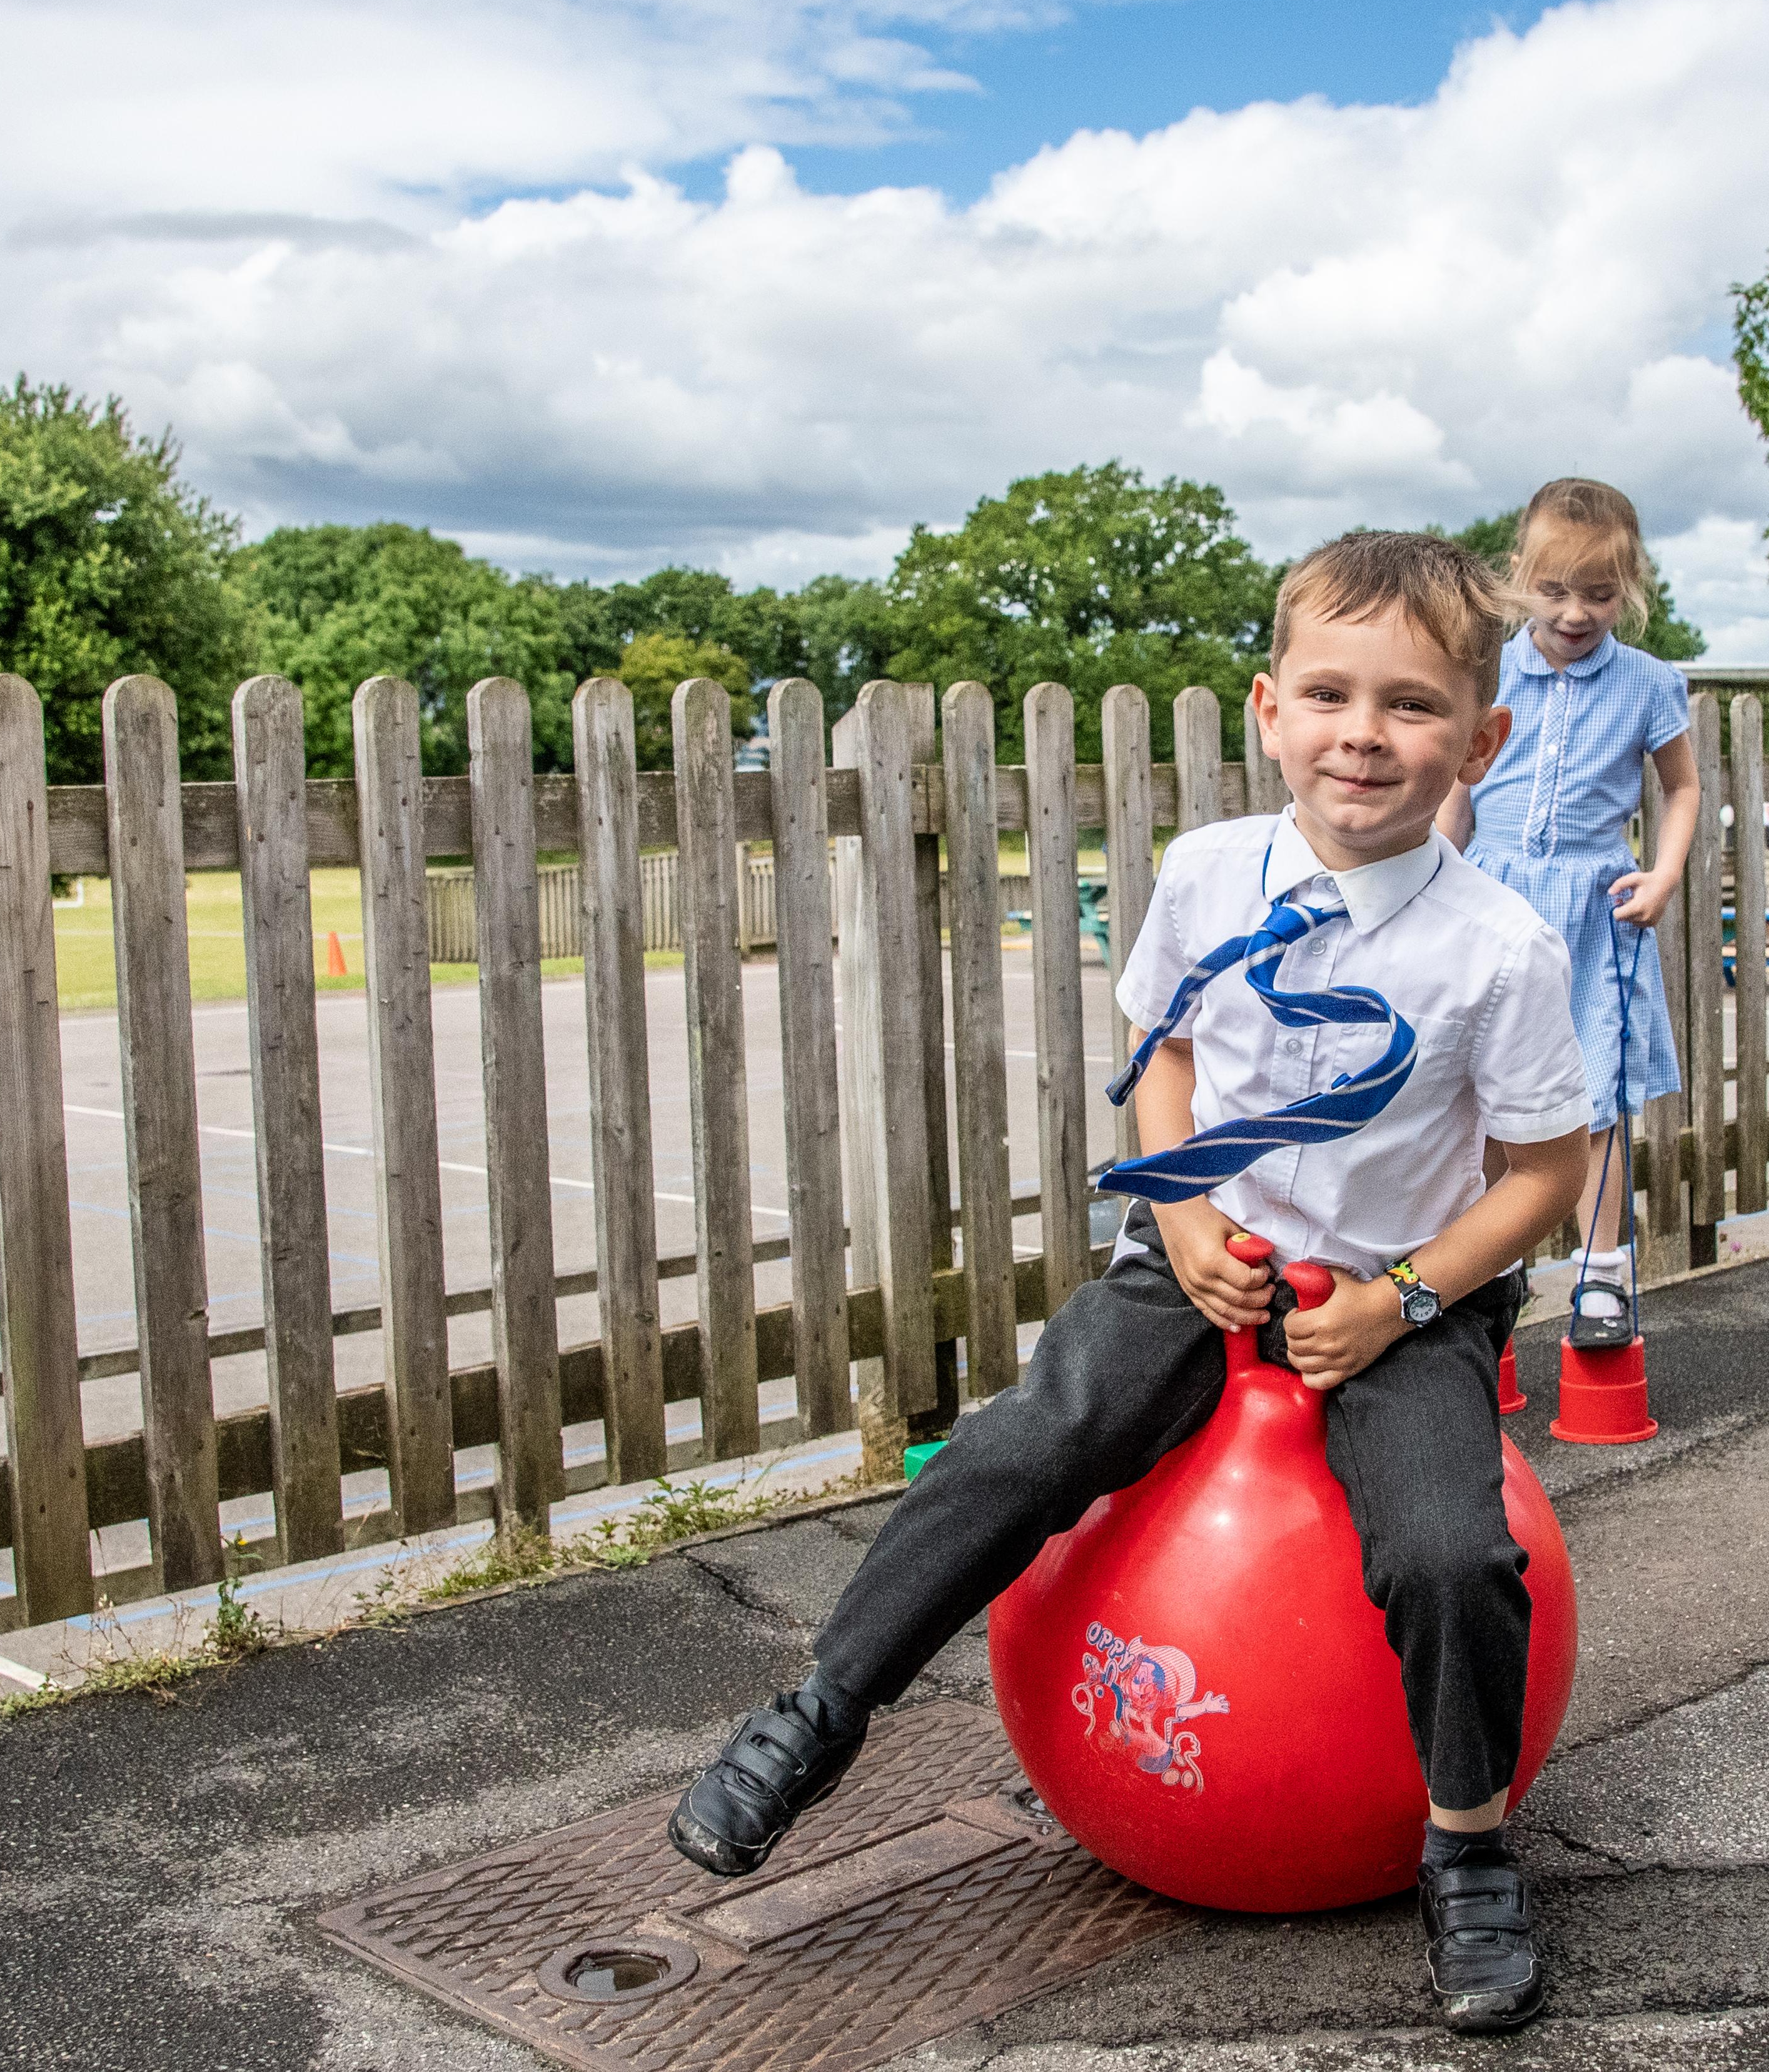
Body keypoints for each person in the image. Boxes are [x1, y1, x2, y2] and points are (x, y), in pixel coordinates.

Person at [668, 531, 1595, 2036]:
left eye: (1413, 704)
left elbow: (1549, 1174)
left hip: (1394, 1295)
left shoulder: (1501, 948)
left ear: (1480, 740)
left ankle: (1470, 1846)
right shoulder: (1206, 872)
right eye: (1330, 694)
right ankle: (817, 1713)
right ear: (1269, 709)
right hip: (1201, 1259)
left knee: (1450, 1550)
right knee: (1018, 1446)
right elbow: (1165, 1053)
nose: (1364, 733)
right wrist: (1180, 1210)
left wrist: (1405, 1301)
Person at [1434, 478, 1699, 1346]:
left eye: (1600, 593)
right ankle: (1482, 1269)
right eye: (1554, 590)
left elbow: (1682, 789)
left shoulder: (1649, 684)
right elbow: (1458, 788)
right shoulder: (1489, 670)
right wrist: (1436, 874)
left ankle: (1601, 1274)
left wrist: (1663, 875)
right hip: (1492, 903)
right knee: (1480, 1094)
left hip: (1595, 915)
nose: (1576, 612)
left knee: (1592, 1097)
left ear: (1631, 586)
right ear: (1520, 574)